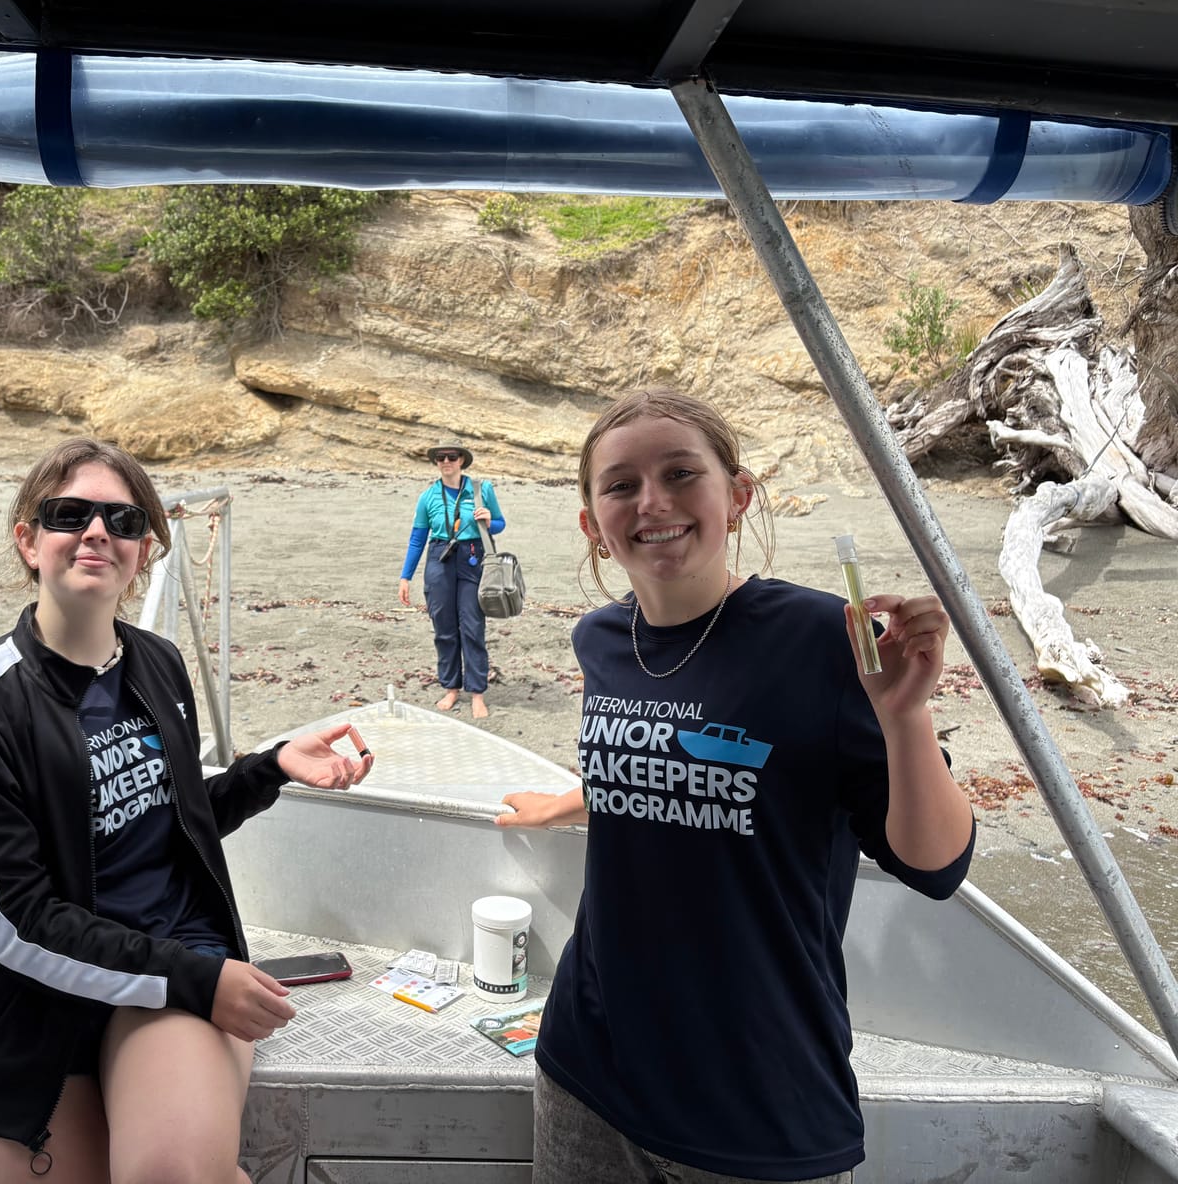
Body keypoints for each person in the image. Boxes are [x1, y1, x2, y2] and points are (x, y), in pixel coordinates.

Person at [497, 390, 975, 1183]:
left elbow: (934, 866)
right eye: (620, 485)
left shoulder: (824, 639)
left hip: (759, 1098)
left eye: (682, 473)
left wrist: (905, 718)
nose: (653, 502)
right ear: (591, 522)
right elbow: (676, 754)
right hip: (587, 1065)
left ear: (739, 495)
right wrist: (574, 800)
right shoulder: (602, 640)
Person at [0, 437, 374, 1183]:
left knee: (171, 1173)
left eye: (124, 521)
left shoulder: (157, 664)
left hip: (171, 963)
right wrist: (197, 981)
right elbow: (10, 919)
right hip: (30, 998)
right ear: (28, 541)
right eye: (70, 514)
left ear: (142, 553)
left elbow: (168, 820)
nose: (98, 532)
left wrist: (267, 769)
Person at [397, 437, 506, 719]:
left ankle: (477, 693)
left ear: (462, 460)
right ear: (436, 462)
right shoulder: (428, 496)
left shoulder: (482, 489)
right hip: (439, 558)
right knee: (444, 629)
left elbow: (500, 524)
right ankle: (451, 687)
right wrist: (405, 576)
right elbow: (417, 538)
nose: (446, 461)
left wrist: (488, 520)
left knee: (472, 626)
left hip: (472, 557)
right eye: (441, 457)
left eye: (452, 456)